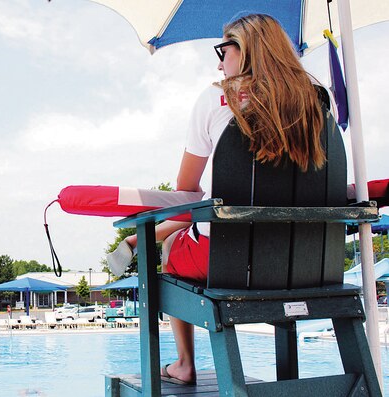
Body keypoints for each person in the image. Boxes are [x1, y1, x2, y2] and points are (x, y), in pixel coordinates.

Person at [110, 13, 329, 385]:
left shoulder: (218, 97)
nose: (218, 62)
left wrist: (146, 232)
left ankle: (183, 364)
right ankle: (137, 242)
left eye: (223, 50)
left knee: (173, 249)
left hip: (229, 259)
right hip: (306, 260)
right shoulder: (317, 100)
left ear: (246, 50)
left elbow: (187, 193)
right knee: (208, 216)